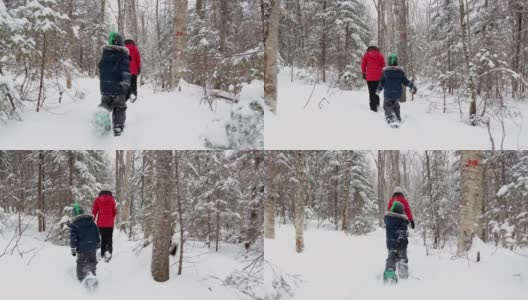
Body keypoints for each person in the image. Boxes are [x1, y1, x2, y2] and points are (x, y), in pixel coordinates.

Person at [98, 32, 131, 136]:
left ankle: (102, 122)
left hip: (105, 87)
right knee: (119, 106)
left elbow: (100, 67)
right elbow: (125, 70)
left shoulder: (105, 54)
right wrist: (126, 83)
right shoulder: (123, 55)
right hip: (118, 87)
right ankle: (117, 126)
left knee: (105, 104)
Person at [376, 52, 417, 125]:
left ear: (388, 62)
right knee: (396, 106)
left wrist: (378, 90)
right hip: (397, 94)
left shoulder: (385, 72)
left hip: (388, 94)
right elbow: (406, 81)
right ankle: (398, 118)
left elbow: (381, 82)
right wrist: (412, 86)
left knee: (387, 106)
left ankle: (391, 118)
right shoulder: (400, 72)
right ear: (396, 62)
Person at [69, 203, 100, 282]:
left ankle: (81, 278)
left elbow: (73, 238)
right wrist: (98, 242)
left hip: (81, 248)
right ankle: (91, 274)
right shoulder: (91, 221)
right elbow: (96, 232)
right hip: (92, 246)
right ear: (83, 212)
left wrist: (73, 248)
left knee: (80, 262)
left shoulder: (74, 224)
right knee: (92, 261)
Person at [383, 201, 409, 283]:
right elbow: (403, 231)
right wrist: (403, 239)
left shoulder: (388, 219)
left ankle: (389, 272)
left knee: (391, 257)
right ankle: (403, 273)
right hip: (401, 243)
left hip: (390, 243)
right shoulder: (402, 220)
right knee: (402, 257)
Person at [92, 184, 117, 262]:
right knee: (109, 238)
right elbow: (115, 211)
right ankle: (109, 252)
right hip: (110, 224)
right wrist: (111, 217)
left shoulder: (98, 199)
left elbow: (94, 211)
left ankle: (103, 253)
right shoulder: (112, 200)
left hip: (101, 223)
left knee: (103, 238)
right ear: (109, 190)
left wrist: (92, 219)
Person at [361, 40, 386, 112]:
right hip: (378, 77)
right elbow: (383, 66)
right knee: (377, 91)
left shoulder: (366, 55)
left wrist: (363, 73)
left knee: (371, 92)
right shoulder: (380, 55)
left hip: (369, 77)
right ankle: (377, 104)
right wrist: (383, 74)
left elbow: (363, 65)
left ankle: (373, 107)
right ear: (376, 46)